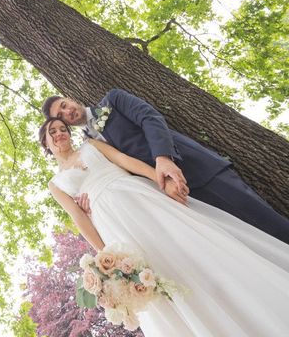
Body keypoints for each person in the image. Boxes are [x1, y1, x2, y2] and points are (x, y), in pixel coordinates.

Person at [41, 117, 289, 336]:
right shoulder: (55, 184)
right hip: (111, 221)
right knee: (157, 267)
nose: (60, 133)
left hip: (139, 195)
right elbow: (78, 217)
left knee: (188, 242)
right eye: (52, 132)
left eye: (63, 128)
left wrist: (160, 179)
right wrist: (105, 254)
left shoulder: (91, 145)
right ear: (46, 143)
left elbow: (125, 160)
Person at [42, 88, 289, 244]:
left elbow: (151, 118)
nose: (67, 112)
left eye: (64, 105)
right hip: (170, 198)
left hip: (195, 170)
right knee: (243, 241)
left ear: (70, 98)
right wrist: (89, 202)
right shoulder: (90, 146)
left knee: (261, 218)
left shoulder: (113, 100)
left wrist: (163, 157)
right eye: (61, 116)